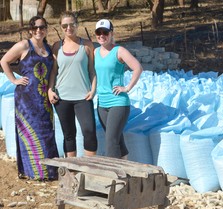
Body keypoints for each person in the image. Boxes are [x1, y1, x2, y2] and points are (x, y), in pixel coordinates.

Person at [0, 16, 59, 180]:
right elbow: (4, 61)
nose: (38, 30)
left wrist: (50, 89)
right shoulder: (24, 45)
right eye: (35, 28)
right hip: (26, 98)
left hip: (43, 97)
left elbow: (53, 72)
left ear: (46, 28)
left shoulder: (48, 48)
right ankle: (34, 172)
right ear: (30, 30)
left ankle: (49, 171)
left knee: (46, 131)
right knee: (31, 133)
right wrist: (14, 80)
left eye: (42, 27)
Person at [48, 11, 97, 157]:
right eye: (64, 25)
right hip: (62, 98)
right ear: (61, 27)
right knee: (68, 134)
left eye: (72, 24)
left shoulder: (87, 45)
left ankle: (90, 168)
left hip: (83, 97)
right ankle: (72, 168)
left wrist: (93, 89)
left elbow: (92, 71)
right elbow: (53, 72)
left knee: (89, 131)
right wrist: (50, 90)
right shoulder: (57, 46)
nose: (68, 28)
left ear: (77, 25)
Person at [94, 19, 143, 159]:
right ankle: (125, 170)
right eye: (98, 32)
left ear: (111, 33)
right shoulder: (95, 51)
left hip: (118, 102)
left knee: (111, 141)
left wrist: (127, 88)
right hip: (101, 103)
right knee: (117, 140)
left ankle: (114, 176)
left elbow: (137, 68)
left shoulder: (119, 51)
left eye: (105, 32)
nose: (102, 35)